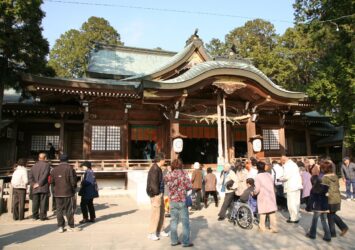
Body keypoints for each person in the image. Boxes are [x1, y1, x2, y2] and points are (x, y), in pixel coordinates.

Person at [164, 158, 194, 247]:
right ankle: (185, 242)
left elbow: (165, 181)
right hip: (182, 200)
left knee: (173, 221)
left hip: (172, 200)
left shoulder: (169, 174)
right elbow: (189, 186)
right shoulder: (184, 174)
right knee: (185, 222)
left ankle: (174, 241)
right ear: (181, 165)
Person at [51, 154, 78, 233]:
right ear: (67, 160)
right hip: (67, 192)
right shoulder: (70, 168)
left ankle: (60, 226)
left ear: (60, 160)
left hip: (57, 192)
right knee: (69, 210)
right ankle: (70, 225)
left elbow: (51, 181)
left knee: (59, 210)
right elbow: (73, 181)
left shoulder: (54, 170)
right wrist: (73, 189)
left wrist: (54, 190)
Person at [322, 160, 348, 237]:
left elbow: (324, 189)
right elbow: (338, 186)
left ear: (324, 169)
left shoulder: (325, 177)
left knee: (331, 214)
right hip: (337, 198)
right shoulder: (335, 176)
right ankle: (333, 233)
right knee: (331, 214)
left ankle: (343, 227)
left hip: (330, 198)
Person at [146, 152, 169, 241]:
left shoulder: (158, 168)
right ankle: (151, 232)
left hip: (160, 194)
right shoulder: (155, 169)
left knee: (162, 213)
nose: (165, 161)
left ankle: (160, 230)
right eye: (164, 159)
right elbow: (153, 183)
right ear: (161, 160)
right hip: (156, 195)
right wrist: (157, 193)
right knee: (155, 214)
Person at [306, 173, 331, 241]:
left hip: (318, 208)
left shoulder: (313, 189)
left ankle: (312, 234)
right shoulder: (326, 187)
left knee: (315, 221)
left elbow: (311, 200)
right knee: (324, 221)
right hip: (325, 207)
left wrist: (308, 208)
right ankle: (328, 236)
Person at [254, 161, 278, 233]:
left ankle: (262, 227)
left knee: (262, 212)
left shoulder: (258, 176)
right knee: (271, 211)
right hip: (270, 194)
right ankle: (274, 227)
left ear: (257, 168)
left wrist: (254, 193)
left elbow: (257, 188)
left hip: (263, 195)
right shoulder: (269, 174)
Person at [280, 156, 303, 223]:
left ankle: (293, 218)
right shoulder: (294, 164)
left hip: (291, 186)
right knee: (297, 202)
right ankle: (296, 216)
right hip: (297, 185)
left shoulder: (287, 165)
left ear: (283, 160)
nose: (282, 163)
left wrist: (279, 179)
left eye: (282, 162)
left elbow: (286, 177)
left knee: (291, 203)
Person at [29, 153, 50, 220]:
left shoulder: (33, 166)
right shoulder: (47, 165)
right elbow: (45, 175)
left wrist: (33, 184)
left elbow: (30, 177)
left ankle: (34, 216)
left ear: (39, 158)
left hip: (35, 187)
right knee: (43, 201)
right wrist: (39, 183)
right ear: (45, 158)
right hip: (43, 186)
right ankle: (42, 216)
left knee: (35, 202)